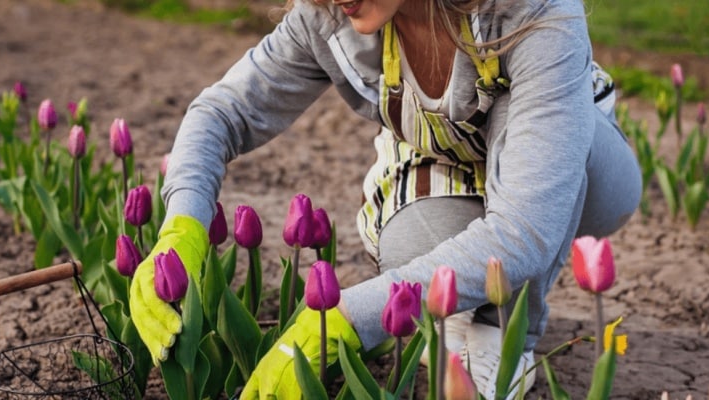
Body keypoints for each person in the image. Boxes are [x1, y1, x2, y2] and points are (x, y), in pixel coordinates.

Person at [128, 0, 642, 398]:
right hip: (444, 164)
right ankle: (464, 309)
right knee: (406, 260)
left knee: (527, 217)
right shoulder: (328, 16)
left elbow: (528, 226)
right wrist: (183, 225)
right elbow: (221, 114)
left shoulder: (532, 12)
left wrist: (348, 317)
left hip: (577, 166)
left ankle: (505, 334)